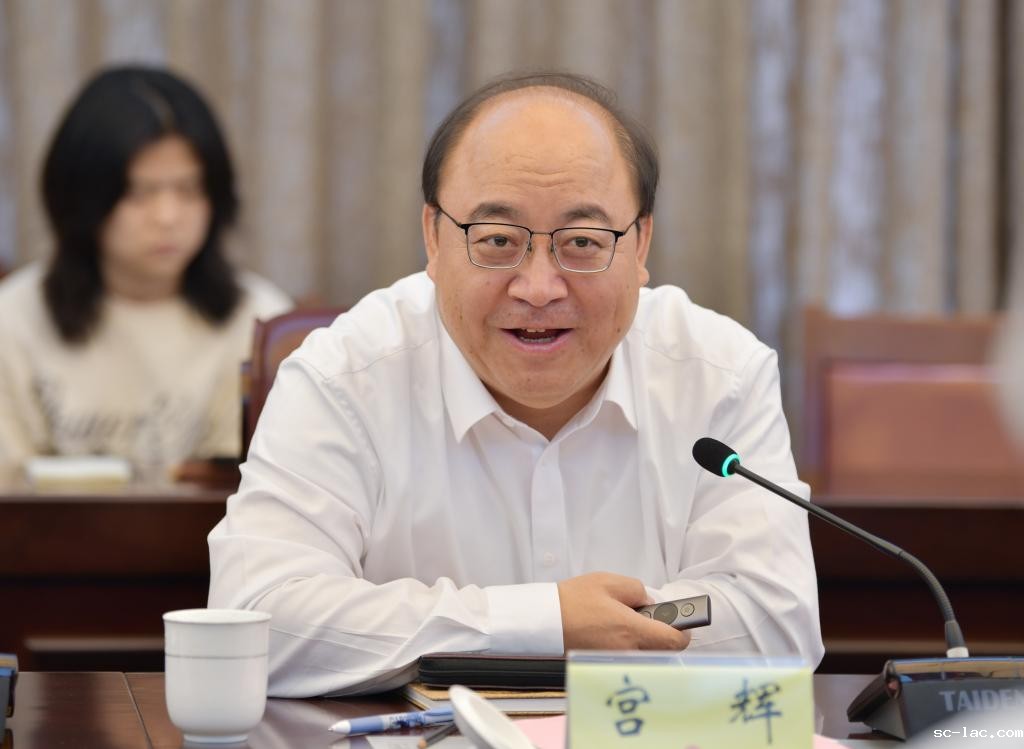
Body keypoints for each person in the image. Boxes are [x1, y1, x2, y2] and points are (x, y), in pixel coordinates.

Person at [208, 72, 824, 697]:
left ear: (640, 244)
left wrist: (579, 632)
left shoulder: (721, 376)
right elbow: (253, 621)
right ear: (433, 238)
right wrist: (548, 621)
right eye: (498, 240)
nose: (538, 288)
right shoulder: (343, 379)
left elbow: (779, 627)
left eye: (582, 242)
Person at [0, 66, 291, 484]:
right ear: (81, 197)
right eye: (139, 193)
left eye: (188, 189)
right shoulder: (13, 320)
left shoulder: (262, 322)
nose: (168, 217)